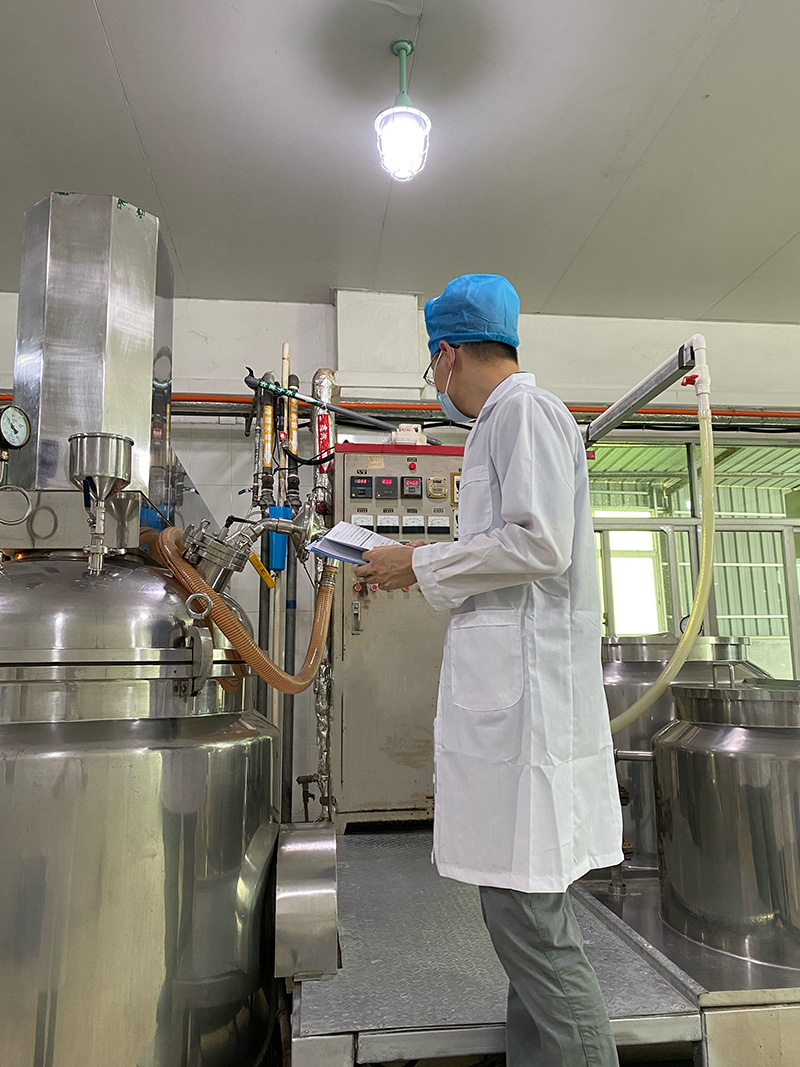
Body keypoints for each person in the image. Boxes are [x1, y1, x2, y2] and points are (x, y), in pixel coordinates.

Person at [354, 274, 623, 1067]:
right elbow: (505, 554)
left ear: (448, 354)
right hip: (514, 719)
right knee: (522, 935)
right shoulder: (502, 424)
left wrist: (418, 561)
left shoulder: (523, 413)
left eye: (432, 366)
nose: (435, 382)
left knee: (535, 933)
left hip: (527, 724)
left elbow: (541, 543)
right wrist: (419, 563)